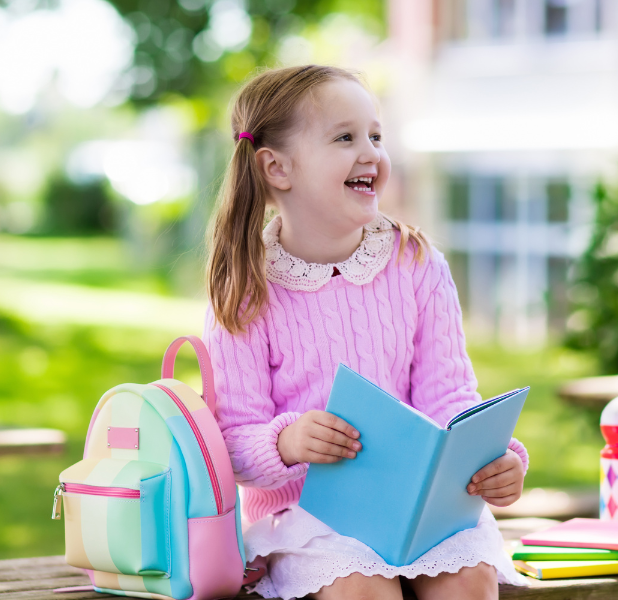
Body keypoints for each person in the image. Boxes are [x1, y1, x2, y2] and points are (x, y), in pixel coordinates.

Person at [202, 65, 530, 600]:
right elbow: (231, 444)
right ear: (277, 167)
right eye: (345, 137)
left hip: (417, 510)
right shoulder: (245, 287)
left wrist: (495, 458)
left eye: (376, 135)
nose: (371, 152)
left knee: (470, 580)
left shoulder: (418, 265)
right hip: (307, 519)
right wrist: (288, 441)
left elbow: (449, 399)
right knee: (361, 588)